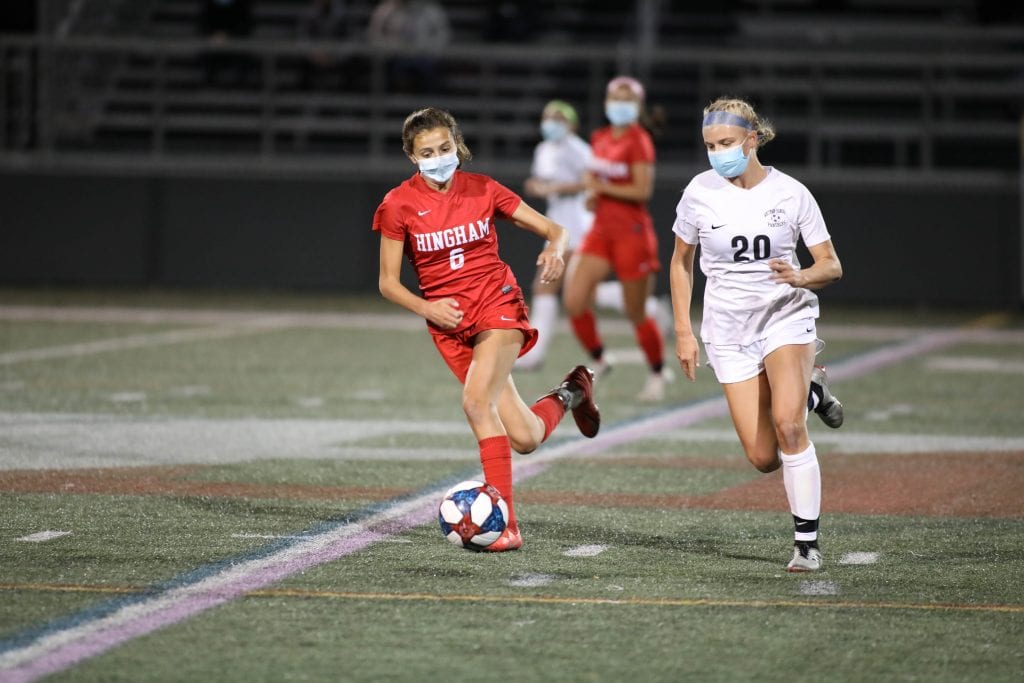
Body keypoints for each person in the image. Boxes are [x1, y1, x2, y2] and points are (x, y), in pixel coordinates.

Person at [374, 107, 601, 552]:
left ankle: (508, 526)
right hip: (449, 324)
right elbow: (386, 282)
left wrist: (556, 250)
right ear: (411, 157)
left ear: (456, 145)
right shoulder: (398, 204)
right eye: (426, 152)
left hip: (496, 304)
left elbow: (555, 229)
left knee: (477, 403)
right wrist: (428, 308)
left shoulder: (483, 189)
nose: (437, 158)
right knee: (526, 437)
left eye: (444, 148)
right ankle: (572, 391)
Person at [669, 96, 845, 572]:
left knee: (788, 426)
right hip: (727, 330)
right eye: (709, 145)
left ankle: (806, 546)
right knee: (763, 456)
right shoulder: (699, 192)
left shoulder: (791, 193)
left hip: (785, 318)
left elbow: (830, 264)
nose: (717, 152)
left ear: (751, 141)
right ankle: (813, 395)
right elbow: (681, 262)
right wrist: (684, 332)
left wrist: (801, 277)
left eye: (726, 142)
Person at [517, 99, 668, 372]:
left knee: (545, 286)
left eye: (558, 118)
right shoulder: (543, 149)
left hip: (577, 225)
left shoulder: (580, 149)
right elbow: (544, 182)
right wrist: (537, 187)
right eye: (547, 117)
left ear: (572, 123)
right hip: (557, 224)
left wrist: (560, 188)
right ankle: (649, 307)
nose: (551, 124)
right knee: (583, 293)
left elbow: (594, 181)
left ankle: (533, 354)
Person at [562, 75, 670, 401]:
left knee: (635, 311)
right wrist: (592, 192)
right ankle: (600, 358)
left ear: (637, 105)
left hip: (631, 232)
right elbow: (594, 177)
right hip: (600, 229)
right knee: (574, 299)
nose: (619, 104)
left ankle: (656, 373)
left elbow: (641, 189)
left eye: (626, 98)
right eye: (614, 97)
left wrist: (598, 188)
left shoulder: (639, 140)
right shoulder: (600, 136)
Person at [367, 0, 450, 93]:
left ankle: (428, 100)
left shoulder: (432, 10)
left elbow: (442, 36)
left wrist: (428, 50)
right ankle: (396, 99)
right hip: (393, 56)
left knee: (429, 72)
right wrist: (389, 48)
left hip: (424, 56)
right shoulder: (386, 9)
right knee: (392, 72)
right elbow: (374, 35)